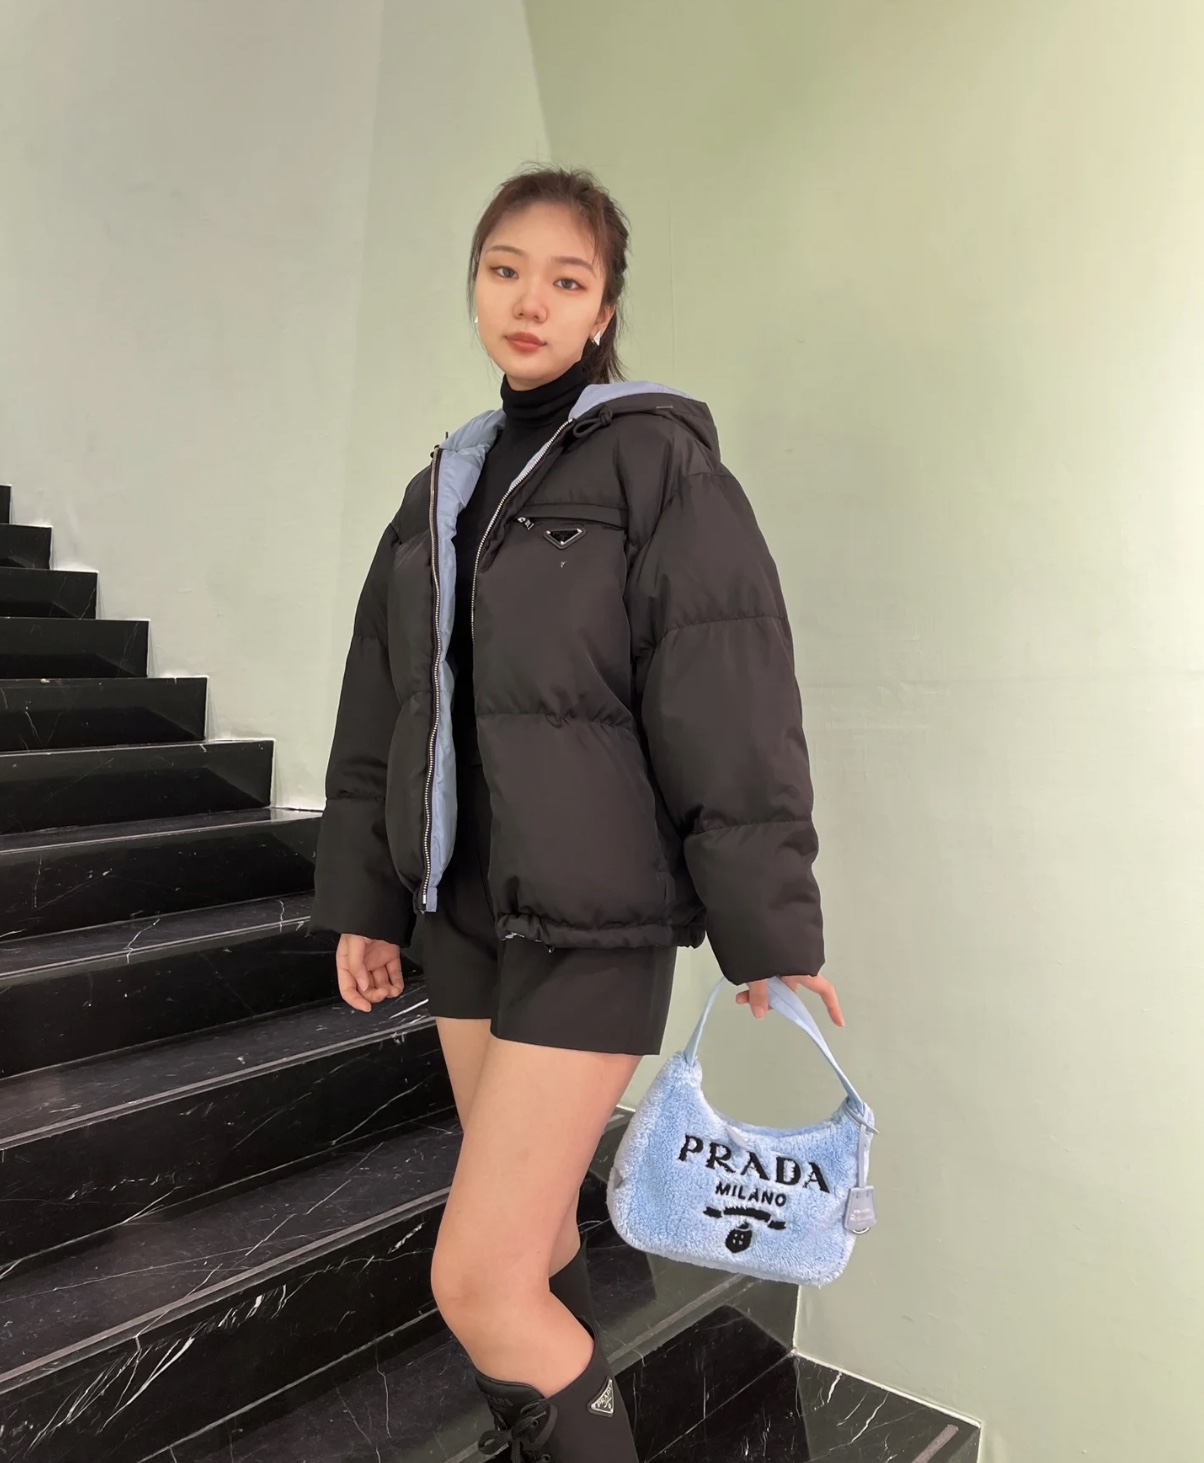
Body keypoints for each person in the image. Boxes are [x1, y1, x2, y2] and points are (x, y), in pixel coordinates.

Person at [310, 164, 844, 1462]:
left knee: (476, 1281)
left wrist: (768, 925)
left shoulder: (658, 466)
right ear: (475, 287)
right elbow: (382, 706)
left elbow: (728, 694)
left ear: (604, 308)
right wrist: (369, 900)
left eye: (566, 278)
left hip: (593, 929)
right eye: (506, 270)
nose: (530, 299)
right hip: (462, 920)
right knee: (536, 1242)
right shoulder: (438, 489)